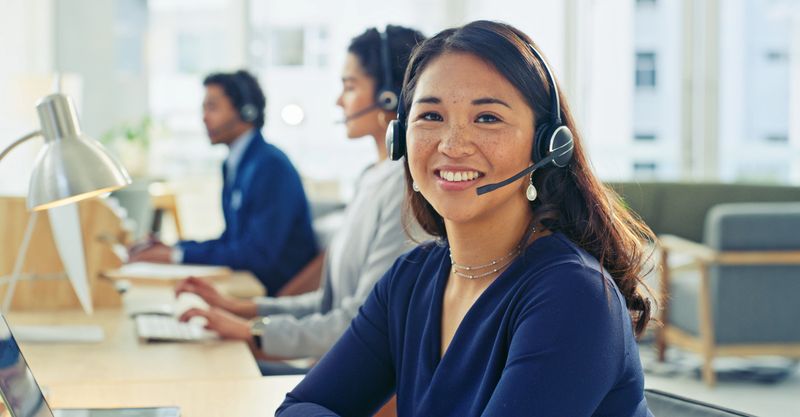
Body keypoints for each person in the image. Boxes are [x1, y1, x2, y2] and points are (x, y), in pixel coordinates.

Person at [276, 20, 656, 416]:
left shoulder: (574, 295)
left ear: (546, 144)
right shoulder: (410, 279)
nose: (453, 145)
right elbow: (303, 406)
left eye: (487, 118)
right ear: (400, 136)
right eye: (431, 116)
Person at [175, 26, 427, 375]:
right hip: (333, 369)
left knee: (208, 375)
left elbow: (361, 321)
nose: (340, 101)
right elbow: (328, 304)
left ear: (388, 95)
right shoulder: (373, 176)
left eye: (349, 86)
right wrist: (242, 308)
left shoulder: (404, 190)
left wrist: (252, 330)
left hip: (358, 386)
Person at [128, 70, 319, 295]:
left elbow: (258, 254)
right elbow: (231, 241)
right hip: (248, 285)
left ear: (246, 111)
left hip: (271, 293)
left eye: (212, 107)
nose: (204, 117)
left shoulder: (270, 166)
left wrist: (177, 255)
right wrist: (176, 248)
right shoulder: (235, 163)